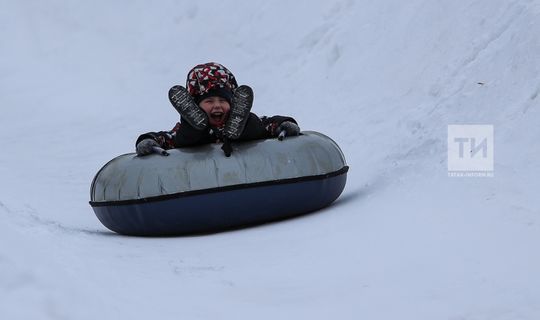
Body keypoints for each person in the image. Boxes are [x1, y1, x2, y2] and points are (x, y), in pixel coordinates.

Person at [135, 62, 300, 157]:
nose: (217, 106)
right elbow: (167, 138)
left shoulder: (238, 116)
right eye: (209, 101)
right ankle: (194, 123)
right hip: (196, 139)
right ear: (195, 104)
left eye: (223, 100)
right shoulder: (182, 131)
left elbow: (269, 124)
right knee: (187, 134)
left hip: (242, 134)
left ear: (232, 102)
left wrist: (283, 124)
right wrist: (149, 141)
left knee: (254, 125)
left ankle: (241, 121)